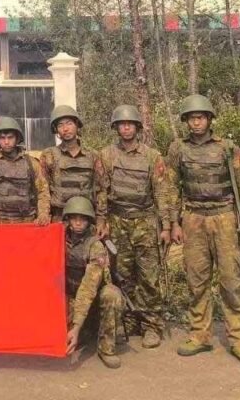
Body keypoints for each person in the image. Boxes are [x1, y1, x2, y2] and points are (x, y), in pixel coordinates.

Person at [167, 94, 240, 367]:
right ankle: (200, 335)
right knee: (197, 282)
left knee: (231, 281)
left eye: (201, 117)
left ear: (209, 119)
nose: (196, 123)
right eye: (191, 118)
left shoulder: (228, 148)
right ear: (186, 121)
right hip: (193, 218)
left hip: (224, 218)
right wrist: (174, 223)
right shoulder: (178, 149)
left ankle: (239, 340)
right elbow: (171, 188)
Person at [93, 104, 172, 348]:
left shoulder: (152, 156)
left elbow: (162, 192)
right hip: (118, 222)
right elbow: (101, 191)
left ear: (137, 127)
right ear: (116, 128)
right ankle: (128, 321)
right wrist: (102, 220)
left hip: (145, 222)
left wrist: (166, 226)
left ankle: (151, 325)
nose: (126, 128)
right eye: (122, 124)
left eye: (130, 124)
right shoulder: (106, 155)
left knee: (148, 276)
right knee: (122, 275)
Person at [62, 196, 125, 369]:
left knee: (111, 294)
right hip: (70, 296)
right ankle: (85, 331)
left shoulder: (95, 245)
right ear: (68, 219)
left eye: (82, 219)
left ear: (89, 220)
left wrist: (76, 326)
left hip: (93, 298)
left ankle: (106, 348)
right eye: (74, 218)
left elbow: (89, 287)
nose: (78, 223)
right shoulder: (59, 238)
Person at [0, 116, 50, 226]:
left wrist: (43, 214)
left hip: (26, 223)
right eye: (2, 138)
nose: (6, 142)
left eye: (10, 137)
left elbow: (42, 192)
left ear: (17, 138)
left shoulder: (31, 163)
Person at [41, 104, 97, 221]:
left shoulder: (92, 156)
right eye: (60, 125)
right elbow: (43, 190)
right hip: (59, 217)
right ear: (56, 130)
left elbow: (101, 190)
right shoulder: (49, 155)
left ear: (77, 125)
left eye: (69, 123)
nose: (65, 129)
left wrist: (101, 218)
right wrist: (44, 214)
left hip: (85, 218)